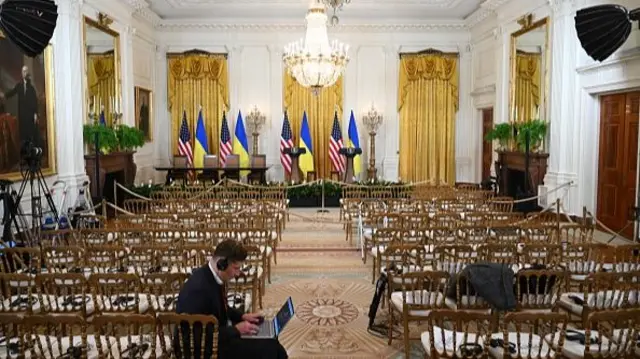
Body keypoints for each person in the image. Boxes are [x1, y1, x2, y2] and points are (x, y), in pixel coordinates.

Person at [175, 240, 288, 359]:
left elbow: (220, 307)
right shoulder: (198, 290)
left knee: (270, 340)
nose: (238, 273)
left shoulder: (211, 275)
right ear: (221, 264)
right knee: (271, 348)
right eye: (236, 268)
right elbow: (198, 336)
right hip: (203, 350)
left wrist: (242, 316)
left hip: (217, 336)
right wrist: (236, 330)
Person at [0, 65, 40, 148]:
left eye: (26, 71)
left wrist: (35, 114)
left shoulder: (31, 88)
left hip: (30, 115)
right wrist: (3, 95)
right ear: (22, 74)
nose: (24, 73)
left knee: (30, 134)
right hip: (22, 114)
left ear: (28, 73)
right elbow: (12, 92)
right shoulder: (19, 86)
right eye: (23, 71)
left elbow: (34, 101)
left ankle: (31, 152)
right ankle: (24, 155)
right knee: (23, 135)